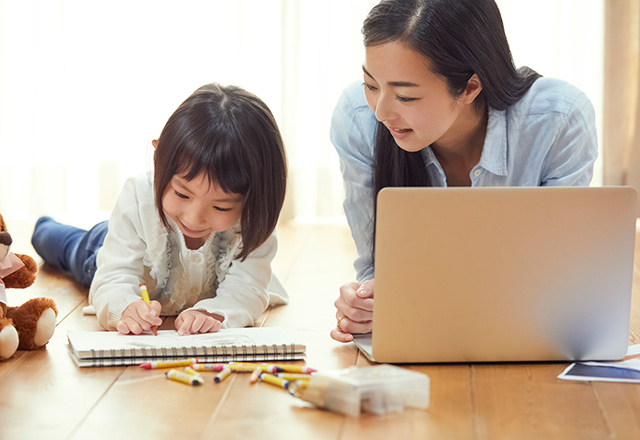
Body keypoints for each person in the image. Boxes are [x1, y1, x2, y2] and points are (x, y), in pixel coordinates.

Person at [330, 0, 598, 342]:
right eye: (371, 85)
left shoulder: (559, 119)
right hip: (421, 331)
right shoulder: (357, 117)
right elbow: (375, 266)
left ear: (470, 87)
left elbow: (564, 274)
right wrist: (365, 303)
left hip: (530, 331)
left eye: (406, 97)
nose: (381, 112)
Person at [32, 83, 288, 336]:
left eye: (221, 207)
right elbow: (113, 277)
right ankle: (44, 227)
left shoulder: (255, 220)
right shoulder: (138, 197)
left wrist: (214, 314)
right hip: (110, 247)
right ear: (158, 159)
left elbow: (247, 289)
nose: (194, 217)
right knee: (66, 246)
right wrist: (125, 308)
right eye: (181, 193)